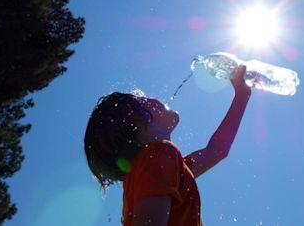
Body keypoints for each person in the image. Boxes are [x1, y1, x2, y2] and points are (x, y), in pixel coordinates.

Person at [84, 65, 251, 226]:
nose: (151, 99)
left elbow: (216, 151)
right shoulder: (157, 157)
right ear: (136, 128)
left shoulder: (162, 169)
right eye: (142, 102)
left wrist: (242, 95)